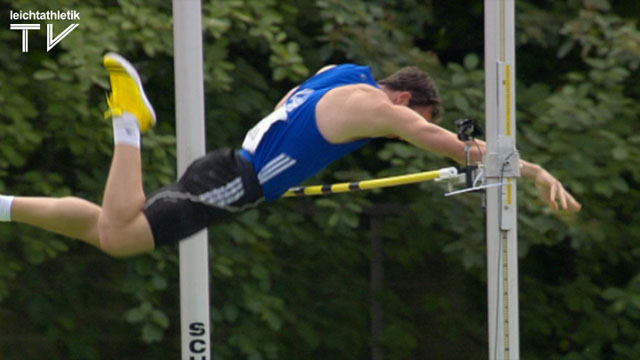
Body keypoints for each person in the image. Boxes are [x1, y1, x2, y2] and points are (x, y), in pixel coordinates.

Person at [0, 53, 581, 257]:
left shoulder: (337, 74)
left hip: (235, 165)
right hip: (238, 181)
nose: (409, 128)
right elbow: (461, 150)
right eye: (416, 116)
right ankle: (127, 120)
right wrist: (532, 170)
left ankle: (3, 206)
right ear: (407, 98)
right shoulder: (384, 109)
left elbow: (285, 115)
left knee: (105, 230)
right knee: (123, 238)